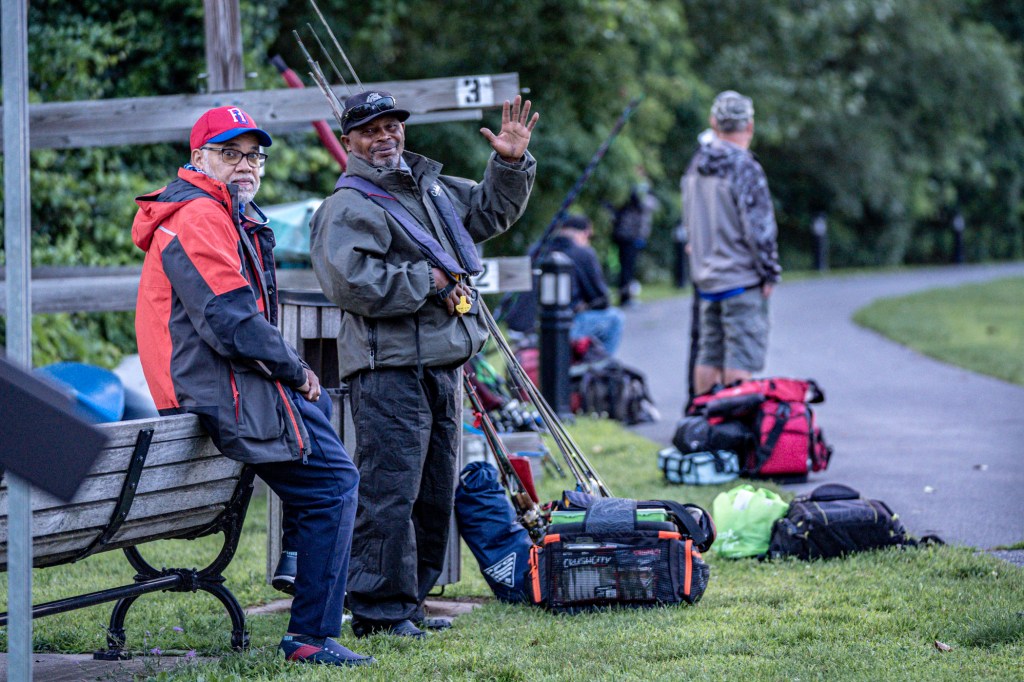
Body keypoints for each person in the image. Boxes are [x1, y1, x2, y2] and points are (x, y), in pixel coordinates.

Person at [132, 106, 371, 667]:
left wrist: (294, 376)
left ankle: (297, 556)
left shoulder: (217, 210)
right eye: (230, 154)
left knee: (323, 421)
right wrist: (295, 369)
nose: (246, 165)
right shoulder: (198, 215)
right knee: (335, 483)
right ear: (199, 159)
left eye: (254, 156)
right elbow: (232, 321)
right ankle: (310, 635)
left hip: (219, 384)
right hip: (212, 391)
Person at [309, 91, 538, 638]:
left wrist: (509, 164)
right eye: (370, 130)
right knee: (389, 494)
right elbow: (350, 284)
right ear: (348, 142)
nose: (384, 137)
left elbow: (487, 211)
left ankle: (409, 604)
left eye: (392, 126)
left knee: (433, 494)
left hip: (440, 362)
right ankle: (378, 612)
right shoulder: (346, 207)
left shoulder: (428, 186)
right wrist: (428, 280)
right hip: (387, 369)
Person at [681, 90, 782, 396]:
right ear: (749, 126)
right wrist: (769, 273)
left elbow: (689, 222)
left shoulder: (697, 164)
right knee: (740, 357)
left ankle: (703, 417)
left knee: (708, 354)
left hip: (706, 280)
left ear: (714, 122)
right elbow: (759, 230)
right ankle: (734, 422)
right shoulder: (744, 167)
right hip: (740, 280)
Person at [550, 214, 625, 355]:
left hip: (526, 329)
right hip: (562, 326)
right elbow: (601, 299)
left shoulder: (538, 250)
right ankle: (600, 363)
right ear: (583, 233)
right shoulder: (583, 253)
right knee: (616, 318)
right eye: (589, 236)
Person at [611, 167, 660, 306]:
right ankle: (625, 297)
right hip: (628, 235)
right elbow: (647, 205)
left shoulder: (639, 191)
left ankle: (626, 296)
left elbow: (653, 205)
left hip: (631, 235)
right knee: (626, 267)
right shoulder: (629, 191)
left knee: (628, 267)